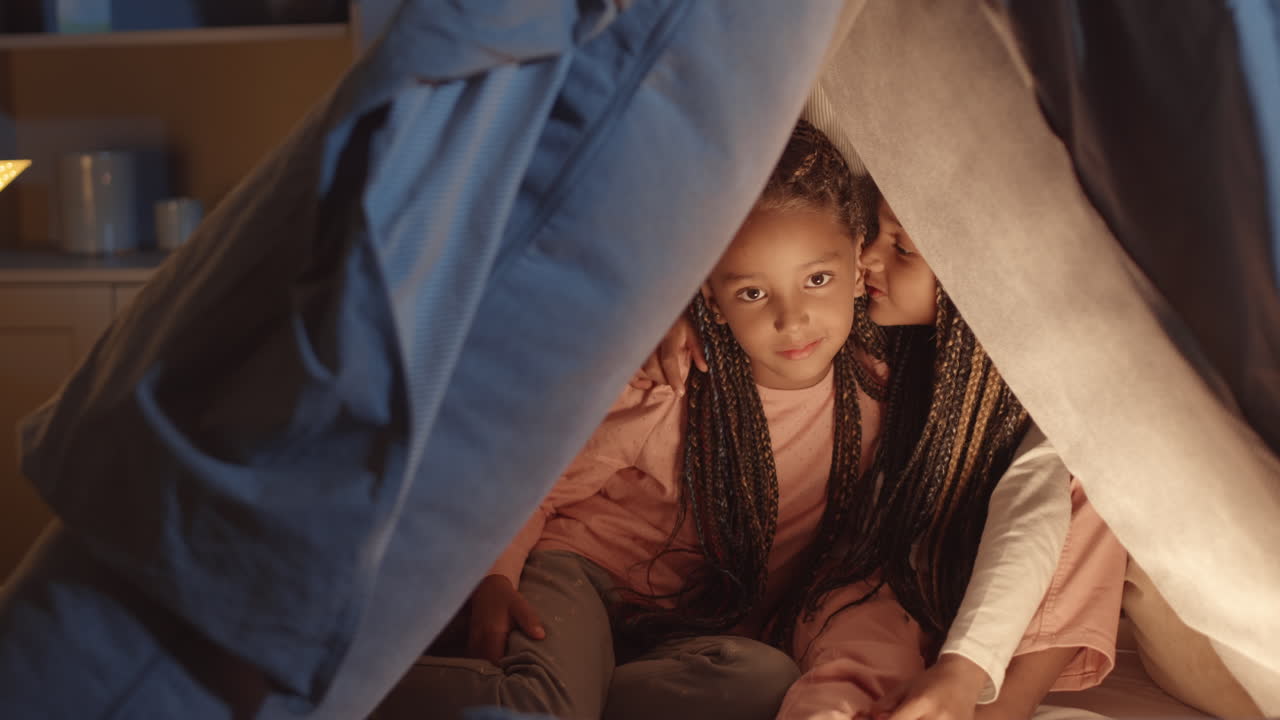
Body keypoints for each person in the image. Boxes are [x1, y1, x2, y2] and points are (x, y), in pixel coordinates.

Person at [377, 121, 1125, 720]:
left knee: (762, 681)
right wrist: (495, 575)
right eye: (752, 295)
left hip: (694, 625)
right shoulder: (679, 377)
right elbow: (531, 474)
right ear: (710, 293)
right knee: (541, 701)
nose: (794, 317)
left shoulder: (894, 383)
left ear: (850, 261)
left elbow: (1032, 503)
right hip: (588, 574)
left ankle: (578, 693)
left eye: (821, 279)